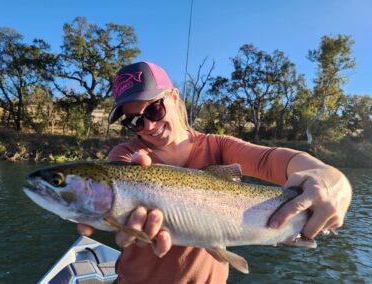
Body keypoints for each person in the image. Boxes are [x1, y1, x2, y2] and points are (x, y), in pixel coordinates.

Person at [78, 62, 352, 283]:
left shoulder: (219, 145)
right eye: (135, 120)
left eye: (154, 109)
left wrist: (331, 180)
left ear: (173, 98)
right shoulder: (125, 159)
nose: (148, 125)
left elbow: (274, 160)